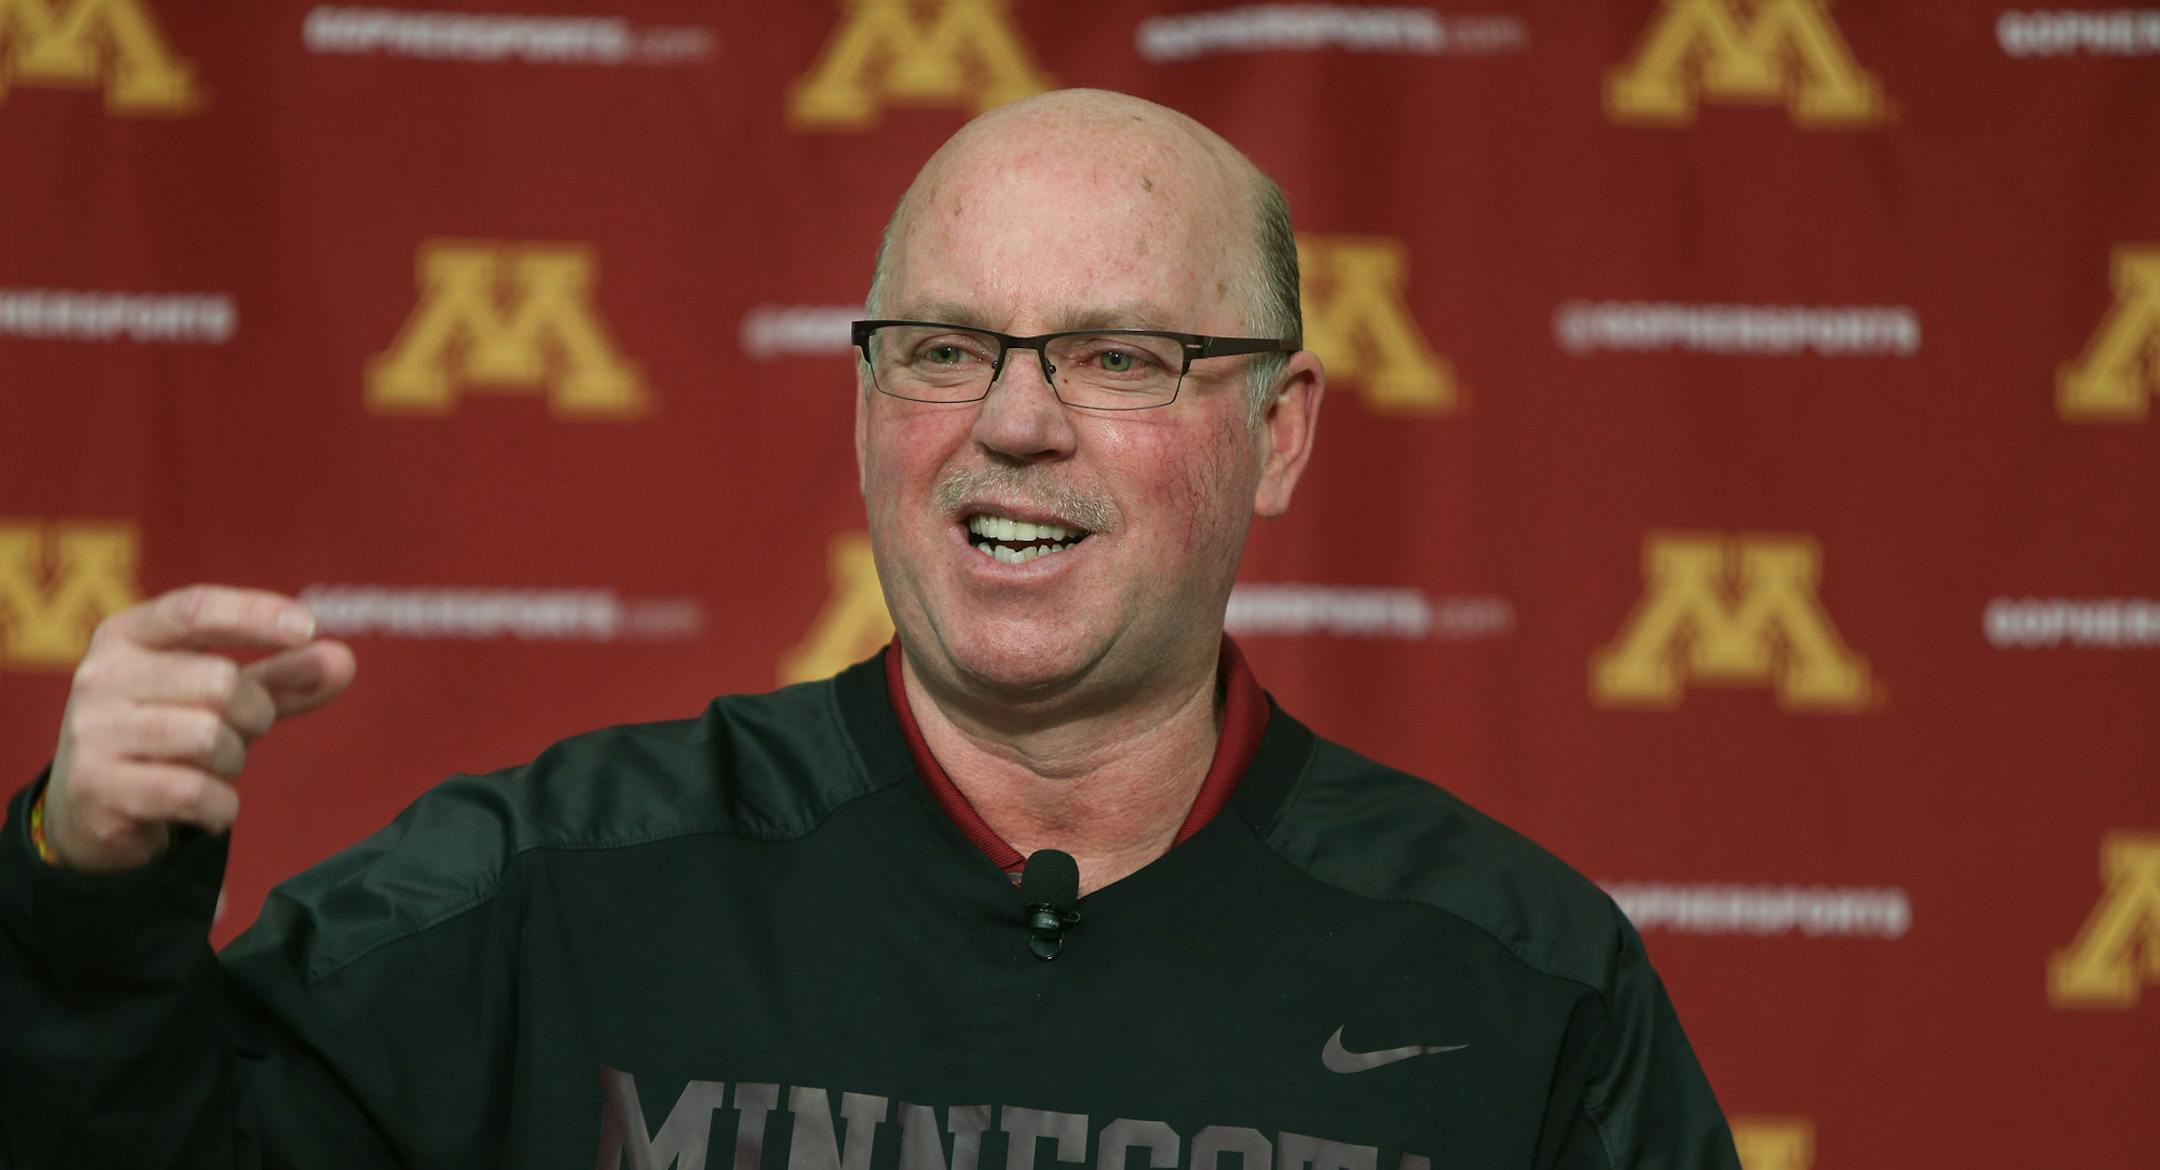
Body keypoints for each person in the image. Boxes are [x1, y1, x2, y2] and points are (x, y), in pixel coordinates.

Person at [1, 90, 1739, 1170]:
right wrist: (90, 905)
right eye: (944, 348)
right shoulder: (545, 896)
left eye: (1117, 356)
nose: (1013, 421)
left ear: (1277, 434)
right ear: (864, 406)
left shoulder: (1521, 980)